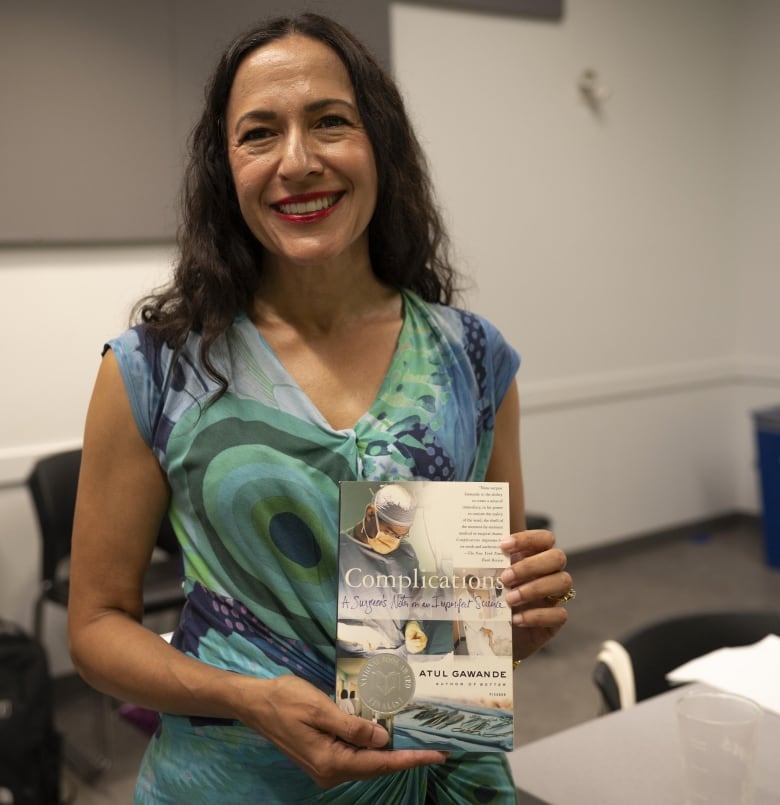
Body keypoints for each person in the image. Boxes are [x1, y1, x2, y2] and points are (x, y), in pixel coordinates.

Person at [67, 11, 574, 804]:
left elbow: (460, 636)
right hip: (231, 783)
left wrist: (517, 629)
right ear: (224, 168)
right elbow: (96, 629)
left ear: (380, 145)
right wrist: (249, 699)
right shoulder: (156, 368)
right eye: (259, 134)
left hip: (434, 779)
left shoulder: (474, 359)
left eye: (330, 122)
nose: (297, 162)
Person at [337, 483, 453, 658]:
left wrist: (413, 626)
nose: (394, 542)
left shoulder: (407, 554)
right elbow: (316, 613)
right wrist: (346, 631)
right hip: (355, 658)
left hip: (400, 654)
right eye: (389, 532)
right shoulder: (339, 549)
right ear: (370, 514)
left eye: (401, 536)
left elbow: (415, 602)